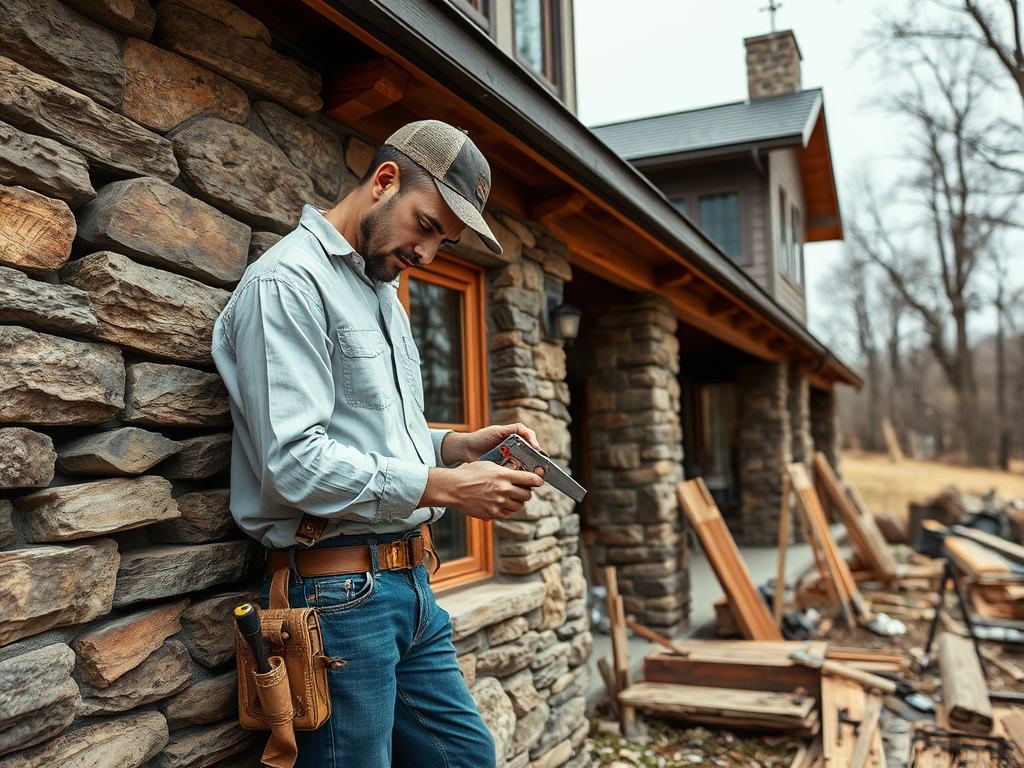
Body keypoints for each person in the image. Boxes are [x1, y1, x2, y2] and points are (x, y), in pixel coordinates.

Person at [212, 120, 546, 768]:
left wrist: (454, 447)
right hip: (338, 597)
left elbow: (379, 438)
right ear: (384, 181)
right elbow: (295, 463)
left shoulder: (383, 296)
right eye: (425, 225)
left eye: (442, 242)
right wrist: (446, 487)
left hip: (413, 590)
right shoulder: (288, 283)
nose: (427, 253)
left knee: (467, 759)